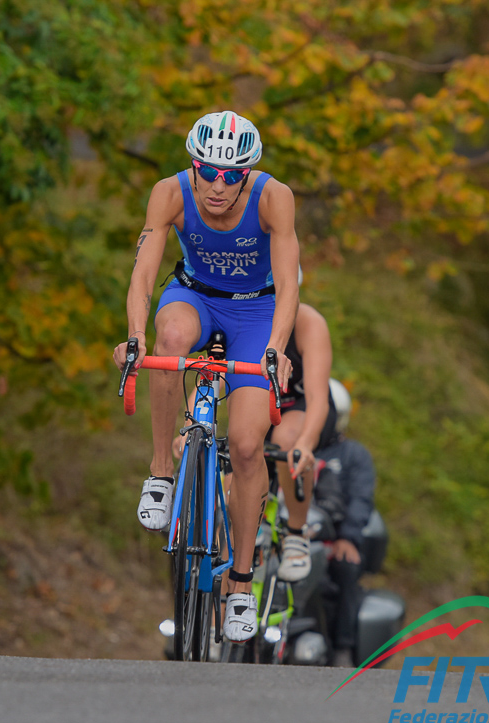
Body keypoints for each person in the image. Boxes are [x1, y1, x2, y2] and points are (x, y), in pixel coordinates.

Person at [113, 110, 300, 643]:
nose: (217, 185)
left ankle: (240, 584)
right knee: (170, 340)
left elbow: (288, 283)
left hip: (254, 313)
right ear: (192, 165)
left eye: (231, 174)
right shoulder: (169, 192)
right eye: (207, 170)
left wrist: (275, 349)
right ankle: (160, 472)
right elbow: (144, 269)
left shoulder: (273, 197)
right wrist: (134, 334)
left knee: (244, 447)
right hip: (193, 296)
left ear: (247, 173)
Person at [266, 301, 333, 582]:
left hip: (302, 408)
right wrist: (189, 426)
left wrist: (305, 442)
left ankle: (296, 531)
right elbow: (213, 373)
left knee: (287, 441)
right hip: (261, 407)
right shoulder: (239, 311)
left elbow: (318, 397)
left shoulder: (309, 323)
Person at [312, 379, 375, 668]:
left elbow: (361, 500)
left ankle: (342, 648)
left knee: (346, 568)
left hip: (333, 541)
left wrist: (347, 537)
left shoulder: (354, 455)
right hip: (288, 536)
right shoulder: (285, 445)